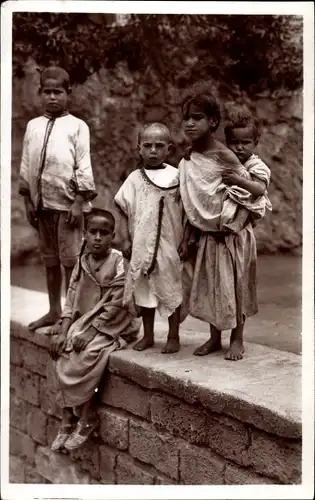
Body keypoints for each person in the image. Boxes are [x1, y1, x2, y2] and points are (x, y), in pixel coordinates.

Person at [178, 90, 271, 361]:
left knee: (236, 286)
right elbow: (195, 199)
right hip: (209, 236)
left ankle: (237, 339)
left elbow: (254, 197)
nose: (190, 124)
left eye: (197, 118)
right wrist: (188, 236)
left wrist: (233, 222)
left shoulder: (227, 158)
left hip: (233, 236)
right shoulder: (193, 155)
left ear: (213, 121)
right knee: (211, 286)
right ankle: (215, 337)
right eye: (186, 118)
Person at [49, 208, 140, 451]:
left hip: (115, 325)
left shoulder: (120, 262)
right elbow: (71, 296)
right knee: (60, 349)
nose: (98, 238)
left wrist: (92, 331)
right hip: (85, 321)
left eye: (104, 233)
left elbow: (118, 303)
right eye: (93, 232)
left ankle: (88, 416)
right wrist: (64, 327)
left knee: (88, 354)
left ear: (113, 236)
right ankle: (68, 416)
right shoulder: (82, 260)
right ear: (84, 235)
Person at [19, 66, 96, 331]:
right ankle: (53, 310)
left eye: (58, 92)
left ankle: (72, 313)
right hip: (42, 208)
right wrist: (28, 201)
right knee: (50, 261)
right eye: (47, 92)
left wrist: (77, 202)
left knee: (70, 262)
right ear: (40, 93)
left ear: (68, 93)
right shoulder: (33, 126)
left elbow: (83, 165)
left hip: (68, 208)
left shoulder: (77, 127)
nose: (52, 97)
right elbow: (27, 165)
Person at [114, 122, 183, 354]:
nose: (153, 151)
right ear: (139, 149)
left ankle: (174, 336)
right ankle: (149, 335)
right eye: (148, 145)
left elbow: (187, 213)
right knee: (144, 292)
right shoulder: (134, 179)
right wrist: (125, 239)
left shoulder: (177, 177)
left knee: (171, 288)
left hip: (169, 244)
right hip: (141, 244)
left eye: (159, 146)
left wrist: (187, 241)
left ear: (169, 149)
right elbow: (122, 209)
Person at [222, 106, 272, 218]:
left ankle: (237, 225)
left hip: (245, 212)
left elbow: (260, 189)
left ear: (255, 143)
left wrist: (239, 180)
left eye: (245, 143)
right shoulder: (225, 159)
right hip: (224, 211)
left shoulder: (256, 165)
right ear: (227, 142)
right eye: (234, 142)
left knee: (251, 203)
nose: (239, 147)